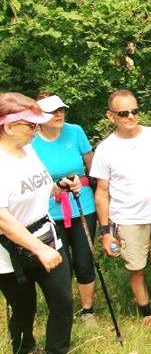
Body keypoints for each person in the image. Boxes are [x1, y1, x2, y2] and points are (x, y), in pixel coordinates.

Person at [91, 90, 151, 326]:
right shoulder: (105, 149)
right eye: (123, 113)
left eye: (135, 111)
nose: (130, 116)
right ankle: (146, 314)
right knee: (137, 269)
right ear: (111, 116)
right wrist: (105, 231)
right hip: (127, 219)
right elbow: (101, 193)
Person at [0, 93, 73, 354]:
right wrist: (39, 249)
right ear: (7, 126)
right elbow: (3, 218)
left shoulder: (29, 150)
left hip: (47, 235)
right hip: (10, 252)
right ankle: (25, 351)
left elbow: (38, 187)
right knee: (23, 308)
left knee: (62, 301)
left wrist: (60, 187)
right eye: (30, 125)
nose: (36, 131)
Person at [32, 93, 97, 322]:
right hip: (48, 210)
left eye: (61, 109)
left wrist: (88, 182)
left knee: (84, 259)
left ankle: (88, 311)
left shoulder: (75, 131)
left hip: (82, 204)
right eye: (52, 111)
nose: (59, 114)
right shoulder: (31, 140)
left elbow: (92, 166)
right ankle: (63, 309)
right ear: (39, 115)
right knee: (61, 262)